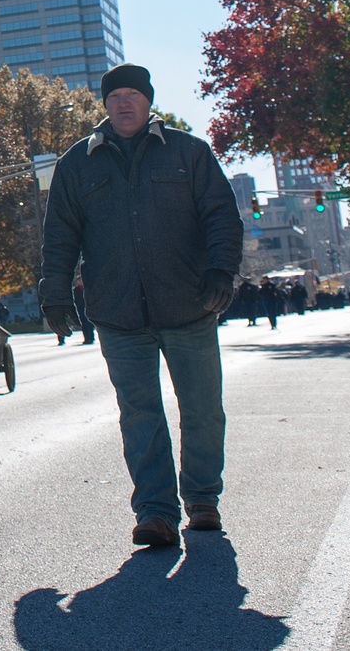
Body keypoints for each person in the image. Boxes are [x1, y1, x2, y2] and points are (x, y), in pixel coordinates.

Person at [38, 63, 241, 549]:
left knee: (202, 409)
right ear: (103, 104)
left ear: (149, 101)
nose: (124, 103)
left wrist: (220, 271)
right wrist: (54, 289)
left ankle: (202, 499)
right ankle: (155, 511)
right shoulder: (75, 165)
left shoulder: (189, 153)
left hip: (188, 304)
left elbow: (221, 217)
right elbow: (60, 236)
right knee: (139, 414)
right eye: (115, 96)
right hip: (118, 312)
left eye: (133, 94)